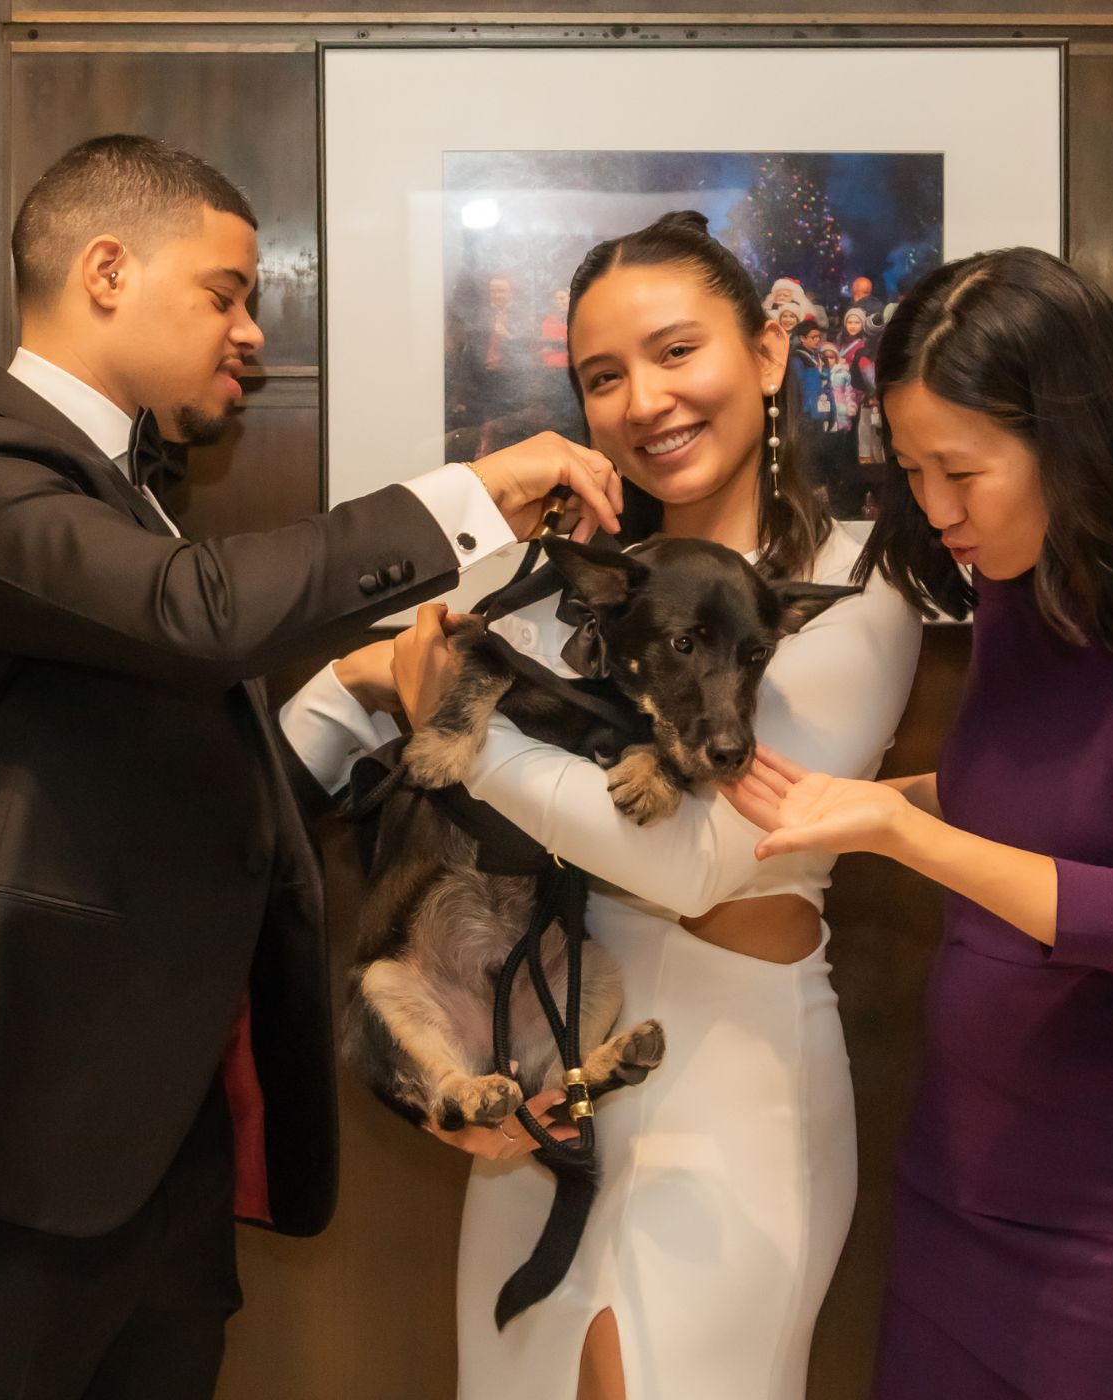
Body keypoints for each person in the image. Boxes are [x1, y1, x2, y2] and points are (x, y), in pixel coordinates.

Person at [0, 133, 621, 1400]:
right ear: (106, 268)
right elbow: (196, 614)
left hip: (158, 1157)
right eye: (225, 293)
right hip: (5, 1144)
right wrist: (473, 493)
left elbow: (179, 793)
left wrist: (358, 691)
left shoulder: (131, 496)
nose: (250, 339)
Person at [283, 210, 922, 1399]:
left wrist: (460, 741)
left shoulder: (842, 591)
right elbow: (320, 723)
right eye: (602, 376)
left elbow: (694, 859)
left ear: (769, 354)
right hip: (544, 1074)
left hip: (736, 1091)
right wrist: (376, 673)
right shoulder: (578, 595)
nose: (644, 400)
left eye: (677, 351)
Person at [725, 247, 1113, 1400]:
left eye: (959, 471)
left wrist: (900, 833)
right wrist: (870, 803)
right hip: (963, 1184)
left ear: (1073, 438)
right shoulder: (1027, 583)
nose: (933, 509)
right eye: (911, 469)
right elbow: (1030, 805)